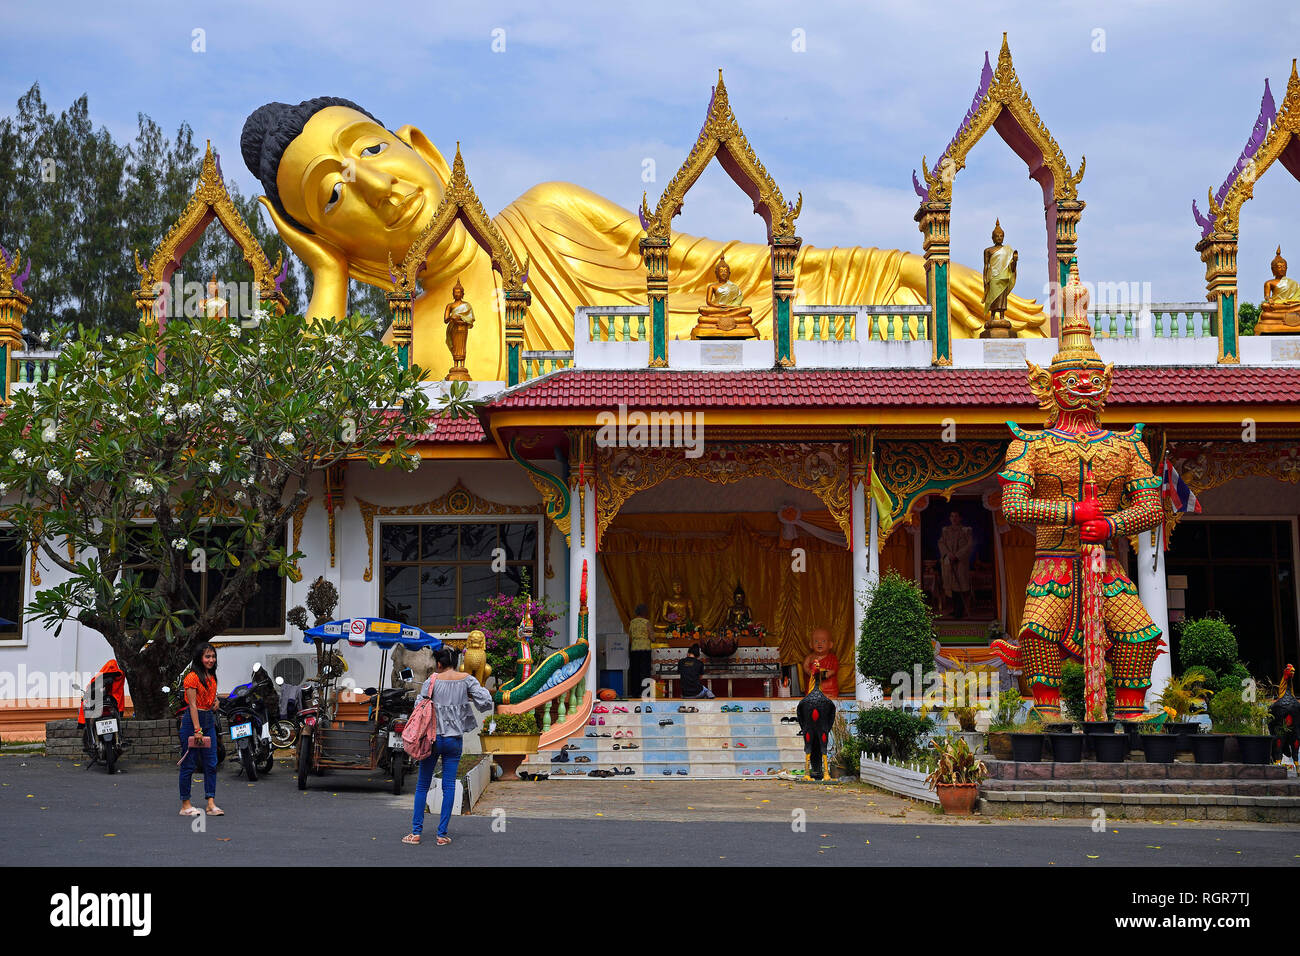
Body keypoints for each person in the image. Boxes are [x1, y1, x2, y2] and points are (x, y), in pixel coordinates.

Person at [404, 646, 494, 846]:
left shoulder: (431, 681)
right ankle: (441, 834)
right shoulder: (467, 680)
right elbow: (486, 702)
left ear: (439, 664)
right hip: (454, 741)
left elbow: (418, 707)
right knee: (449, 786)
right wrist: (467, 697)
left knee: (422, 786)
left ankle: (416, 833)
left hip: (432, 739)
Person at [179, 643, 223, 818]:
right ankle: (185, 805)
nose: (211, 660)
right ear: (199, 658)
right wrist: (197, 730)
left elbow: (209, 697)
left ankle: (210, 803)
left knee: (211, 763)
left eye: (213, 656)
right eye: (207, 656)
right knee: (189, 764)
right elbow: (192, 705)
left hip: (208, 721)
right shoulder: (191, 677)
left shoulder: (211, 676)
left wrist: (216, 701)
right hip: (193, 722)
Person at [627, 603, 652, 700]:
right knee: (645, 671)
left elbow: (630, 635)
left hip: (634, 648)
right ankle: (646, 693)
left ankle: (635, 692)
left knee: (635, 671)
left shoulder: (632, 622)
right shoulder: (646, 622)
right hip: (645, 648)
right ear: (644, 612)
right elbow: (652, 636)